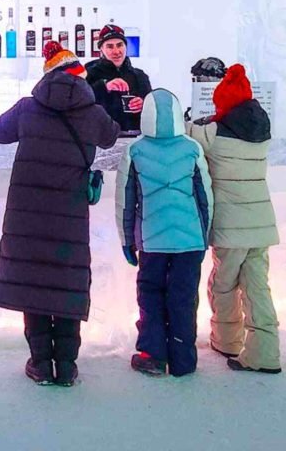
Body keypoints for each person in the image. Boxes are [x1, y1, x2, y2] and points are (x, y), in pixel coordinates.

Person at [0, 42, 121, 387]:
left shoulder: (28, 108)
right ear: (79, 76)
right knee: (65, 279)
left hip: (27, 215)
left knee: (34, 281)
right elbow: (110, 137)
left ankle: (40, 364)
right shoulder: (91, 111)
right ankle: (66, 365)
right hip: (69, 214)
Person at [186, 64, 282, 374]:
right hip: (261, 222)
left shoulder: (212, 134)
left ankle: (227, 340)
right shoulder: (262, 129)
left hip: (231, 226)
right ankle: (265, 353)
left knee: (224, 284)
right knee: (258, 287)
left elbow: (184, 132)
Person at [115, 88, 213, 377]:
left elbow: (125, 200)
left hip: (152, 240)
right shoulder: (192, 148)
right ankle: (184, 360)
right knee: (183, 297)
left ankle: (154, 355)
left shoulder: (134, 150)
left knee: (151, 295)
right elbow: (205, 196)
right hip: (189, 240)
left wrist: (126, 240)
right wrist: (203, 235)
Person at [85, 23, 152, 132]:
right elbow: (79, 103)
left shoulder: (140, 76)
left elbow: (153, 109)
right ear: (101, 49)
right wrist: (104, 86)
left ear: (126, 46)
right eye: (110, 46)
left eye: (120, 45)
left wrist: (144, 104)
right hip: (99, 140)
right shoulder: (88, 74)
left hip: (133, 139)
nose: (116, 51)